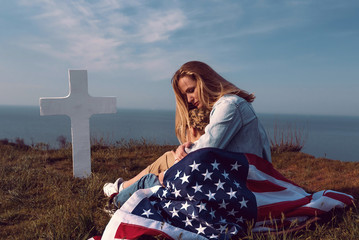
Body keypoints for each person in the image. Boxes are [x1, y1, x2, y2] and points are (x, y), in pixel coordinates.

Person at [104, 108, 210, 213]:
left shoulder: (192, 150)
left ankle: (118, 193)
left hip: (180, 196)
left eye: (186, 133)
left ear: (192, 130)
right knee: (168, 157)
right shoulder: (215, 148)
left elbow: (166, 177)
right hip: (204, 198)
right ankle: (121, 187)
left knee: (153, 173)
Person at [171, 61, 271, 163]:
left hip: (244, 176)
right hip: (238, 174)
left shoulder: (229, 105)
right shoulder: (227, 104)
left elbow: (205, 149)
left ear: (206, 81)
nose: (189, 100)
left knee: (158, 173)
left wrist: (180, 155)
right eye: (185, 95)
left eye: (191, 90)